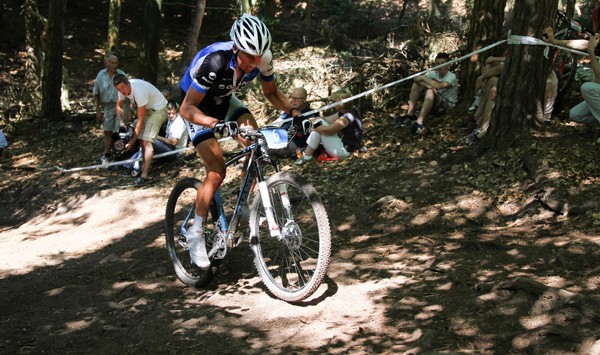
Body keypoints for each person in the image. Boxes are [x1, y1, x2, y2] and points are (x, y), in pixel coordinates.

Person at [178, 14, 299, 269]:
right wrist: (213, 124)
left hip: (224, 100)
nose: (255, 63)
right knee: (217, 169)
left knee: (256, 144)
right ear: (236, 48)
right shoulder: (215, 61)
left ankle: (242, 205)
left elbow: (272, 92)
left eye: (259, 57)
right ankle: (196, 231)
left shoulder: (261, 58)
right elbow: (186, 108)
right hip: (197, 107)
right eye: (249, 57)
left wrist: (296, 113)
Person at [113, 74, 168, 186]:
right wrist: (121, 121)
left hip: (158, 110)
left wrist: (132, 141)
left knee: (147, 141)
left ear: (128, 83)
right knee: (142, 140)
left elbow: (141, 120)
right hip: (148, 109)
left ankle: (144, 176)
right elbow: (118, 105)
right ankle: (142, 169)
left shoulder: (138, 91)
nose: (121, 91)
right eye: (118, 89)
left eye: (123, 87)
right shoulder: (122, 91)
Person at [295, 88, 363, 165]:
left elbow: (327, 130)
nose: (332, 104)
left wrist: (312, 124)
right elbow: (327, 119)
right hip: (347, 147)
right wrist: (315, 119)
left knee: (319, 126)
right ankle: (307, 156)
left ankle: (307, 156)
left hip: (345, 152)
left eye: (334, 102)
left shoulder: (346, 118)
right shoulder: (347, 112)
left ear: (340, 103)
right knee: (318, 123)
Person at [398, 52, 458, 136]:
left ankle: (419, 123)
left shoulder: (451, 76)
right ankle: (410, 114)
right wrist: (428, 85)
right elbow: (416, 79)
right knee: (417, 85)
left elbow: (439, 86)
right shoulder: (434, 73)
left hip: (447, 105)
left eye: (442, 63)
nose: (440, 66)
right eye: (437, 63)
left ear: (448, 65)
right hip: (436, 102)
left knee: (430, 91)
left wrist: (424, 79)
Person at [124, 100, 189, 175]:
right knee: (145, 141)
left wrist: (156, 137)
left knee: (148, 140)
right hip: (168, 147)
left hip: (176, 152)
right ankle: (129, 165)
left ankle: (136, 168)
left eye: (173, 113)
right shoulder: (170, 119)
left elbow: (174, 142)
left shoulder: (179, 122)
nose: (171, 115)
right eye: (169, 113)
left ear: (177, 112)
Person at [93, 54, 127, 165]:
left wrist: (129, 109)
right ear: (107, 63)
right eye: (112, 63)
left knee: (119, 132)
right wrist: (98, 110)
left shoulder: (121, 74)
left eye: (116, 63)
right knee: (107, 131)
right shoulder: (101, 75)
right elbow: (96, 94)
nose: (115, 65)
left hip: (120, 104)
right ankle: (106, 154)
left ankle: (119, 155)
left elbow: (129, 92)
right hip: (107, 106)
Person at [273, 87, 317, 158]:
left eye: (296, 99)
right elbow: (278, 122)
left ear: (304, 99)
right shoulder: (289, 111)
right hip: (281, 138)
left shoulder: (312, 113)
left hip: (295, 142)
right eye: (292, 98)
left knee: (271, 149)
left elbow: (313, 131)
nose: (293, 101)